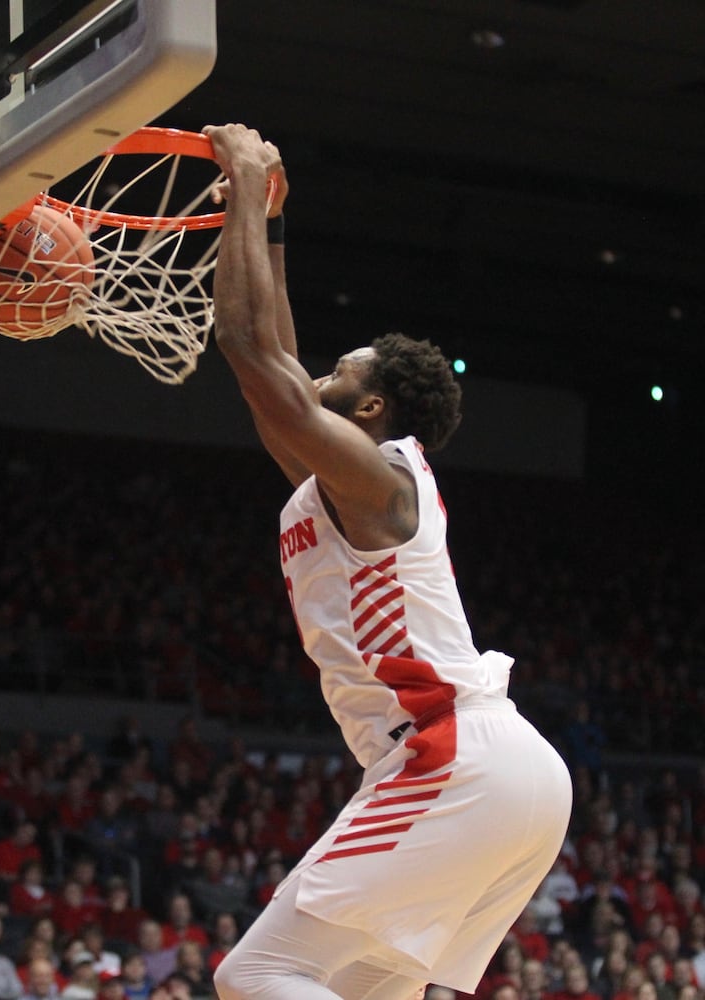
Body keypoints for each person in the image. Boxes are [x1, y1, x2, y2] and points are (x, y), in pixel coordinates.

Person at [201, 122, 574, 1000]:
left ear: (370, 408)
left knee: (257, 973)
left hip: (454, 758)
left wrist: (248, 189)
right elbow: (280, 364)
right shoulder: (342, 481)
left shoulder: (378, 477)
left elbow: (253, 354)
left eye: (340, 369)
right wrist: (273, 227)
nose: (317, 372)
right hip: (501, 773)